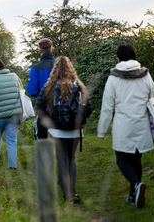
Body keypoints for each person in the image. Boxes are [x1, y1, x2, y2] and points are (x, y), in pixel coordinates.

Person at [97, 44, 154, 208]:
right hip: (142, 123)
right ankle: (132, 195)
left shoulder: (114, 78)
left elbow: (107, 107)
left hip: (123, 124)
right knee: (136, 159)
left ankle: (136, 186)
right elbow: (153, 101)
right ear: (135, 56)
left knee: (122, 159)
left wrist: (102, 131)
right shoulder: (146, 76)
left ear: (118, 58)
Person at [35, 56, 93, 203]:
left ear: (55, 69)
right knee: (71, 159)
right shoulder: (79, 85)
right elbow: (89, 107)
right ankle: (73, 192)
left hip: (57, 130)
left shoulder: (49, 86)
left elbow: (39, 109)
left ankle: (66, 194)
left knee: (62, 161)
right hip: (75, 129)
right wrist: (80, 121)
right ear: (70, 68)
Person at [26, 38, 55, 139]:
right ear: (52, 49)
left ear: (39, 51)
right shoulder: (62, 65)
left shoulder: (35, 68)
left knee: (41, 140)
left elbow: (32, 91)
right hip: (61, 107)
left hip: (44, 109)